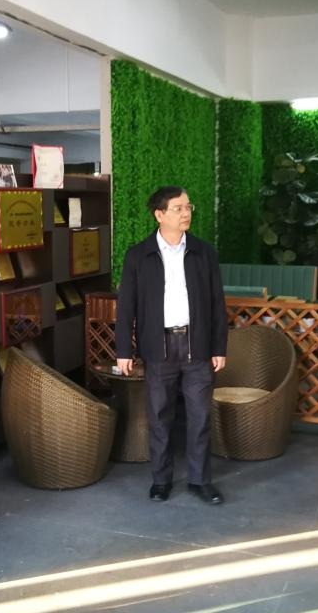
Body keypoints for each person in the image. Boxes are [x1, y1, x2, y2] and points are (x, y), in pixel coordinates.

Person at [115, 186, 228, 505]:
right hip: (158, 349)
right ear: (159, 214)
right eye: (178, 208)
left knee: (200, 418)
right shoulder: (139, 255)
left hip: (198, 348)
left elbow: (217, 304)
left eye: (188, 207)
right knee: (159, 417)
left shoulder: (204, 252)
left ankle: (200, 480)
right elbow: (126, 307)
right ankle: (161, 480)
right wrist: (124, 350)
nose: (186, 213)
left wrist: (219, 347)